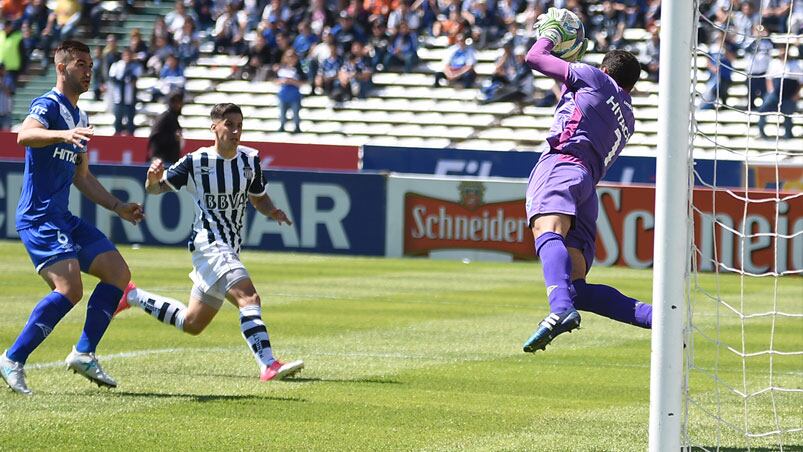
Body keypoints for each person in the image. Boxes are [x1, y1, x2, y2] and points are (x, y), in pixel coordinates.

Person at [116, 103, 305, 382]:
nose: (236, 130)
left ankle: (132, 295)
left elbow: (258, 196)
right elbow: (156, 190)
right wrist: (151, 181)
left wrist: (272, 210)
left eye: (239, 124)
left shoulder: (250, 160)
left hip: (230, 247)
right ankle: (268, 363)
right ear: (214, 127)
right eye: (229, 124)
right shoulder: (196, 162)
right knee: (249, 297)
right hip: (209, 242)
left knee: (192, 323)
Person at [0, 40, 144, 395]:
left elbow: (82, 177)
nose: (88, 70)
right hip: (39, 217)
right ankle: (12, 359)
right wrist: (61, 134)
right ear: (61, 68)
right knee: (70, 289)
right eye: (80, 63)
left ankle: (84, 352)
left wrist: (117, 206)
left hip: (61, 217)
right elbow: (24, 135)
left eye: (90, 64)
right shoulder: (47, 105)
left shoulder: (81, 117)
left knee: (118, 274)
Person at [520, 9, 653, 353]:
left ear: (605, 69)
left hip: (562, 164)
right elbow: (574, 102)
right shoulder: (627, 116)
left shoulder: (593, 77)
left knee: (547, 229)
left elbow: (534, 57)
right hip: (587, 187)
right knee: (577, 285)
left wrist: (551, 34)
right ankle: (660, 318)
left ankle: (560, 311)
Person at [147, 91, 184, 164]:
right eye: (174, 101)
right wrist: (173, 138)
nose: (177, 105)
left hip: (170, 161)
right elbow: (155, 137)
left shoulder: (173, 118)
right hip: (162, 161)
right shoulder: (165, 117)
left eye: (179, 102)